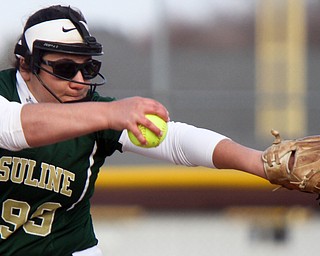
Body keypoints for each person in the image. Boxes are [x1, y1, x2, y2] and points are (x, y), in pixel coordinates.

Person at [0, 5, 268, 256]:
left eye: (88, 68)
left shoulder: (92, 112)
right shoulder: (94, 113)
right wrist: (107, 113)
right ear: (26, 65)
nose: (80, 81)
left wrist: (260, 162)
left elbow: (177, 141)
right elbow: (13, 127)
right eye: (65, 68)